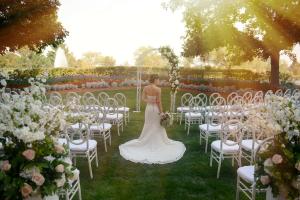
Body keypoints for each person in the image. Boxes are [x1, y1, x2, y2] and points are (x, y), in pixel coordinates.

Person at [119, 74, 186, 164]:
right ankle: (156, 143)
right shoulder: (158, 89)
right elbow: (159, 102)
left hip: (148, 109)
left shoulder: (145, 88)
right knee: (156, 125)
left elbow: (143, 99)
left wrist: (149, 101)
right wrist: (161, 112)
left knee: (148, 124)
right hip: (155, 110)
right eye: (158, 79)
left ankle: (145, 140)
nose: (158, 81)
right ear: (155, 80)